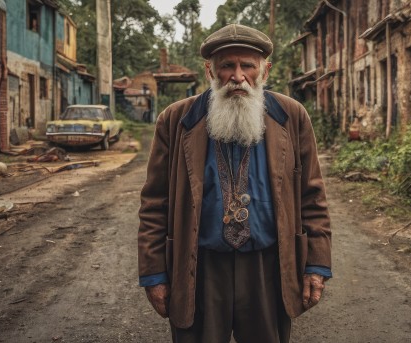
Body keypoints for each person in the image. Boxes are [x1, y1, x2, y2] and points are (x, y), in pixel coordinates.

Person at [137, 23, 332, 343]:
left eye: (247, 66)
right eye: (227, 65)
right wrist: (155, 274)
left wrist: (317, 264)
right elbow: (154, 203)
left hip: (268, 267)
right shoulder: (175, 121)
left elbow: (312, 196)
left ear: (265, 70)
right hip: (198, 266)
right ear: (209, 70)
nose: (237, 76)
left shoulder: (292, 116)